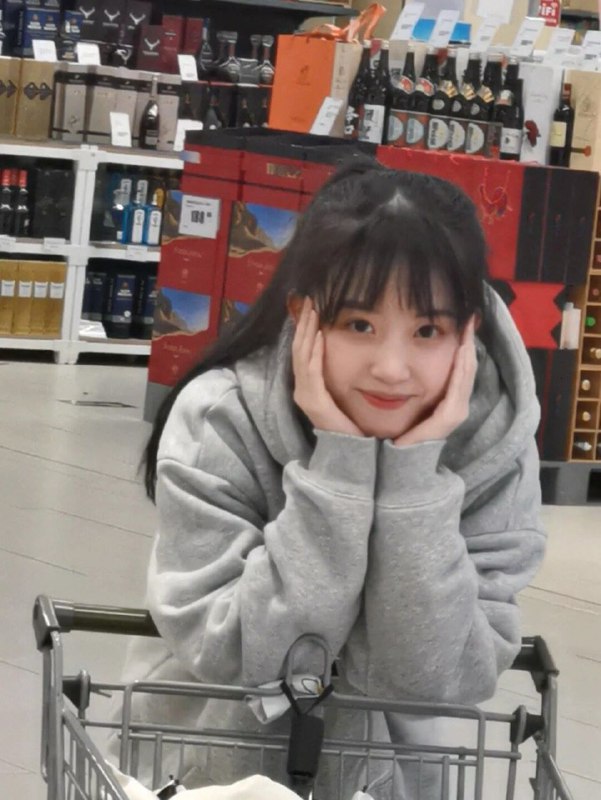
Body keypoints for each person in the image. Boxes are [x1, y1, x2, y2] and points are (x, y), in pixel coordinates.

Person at [113, 159, 546, 798]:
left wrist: (411, 483)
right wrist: (340, 472)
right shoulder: (219, 420)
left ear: (468, 332)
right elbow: (239, 654)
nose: (392, 367)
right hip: (209, 774)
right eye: (359, 325)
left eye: (427, 330)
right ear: (305, 315)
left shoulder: (494, 451)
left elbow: (440, 678)